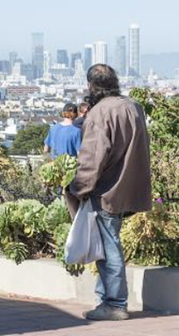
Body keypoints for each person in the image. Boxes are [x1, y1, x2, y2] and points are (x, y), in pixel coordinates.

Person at [64, 65, 150, 321]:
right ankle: (106, 299)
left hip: (106, 190)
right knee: (108, 242)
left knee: (109, 246)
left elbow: (93, 156)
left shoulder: (100, 113)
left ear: (92, 86)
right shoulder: (132, 106)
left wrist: (78, 187)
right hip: (129, 186)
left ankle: (114, 303)